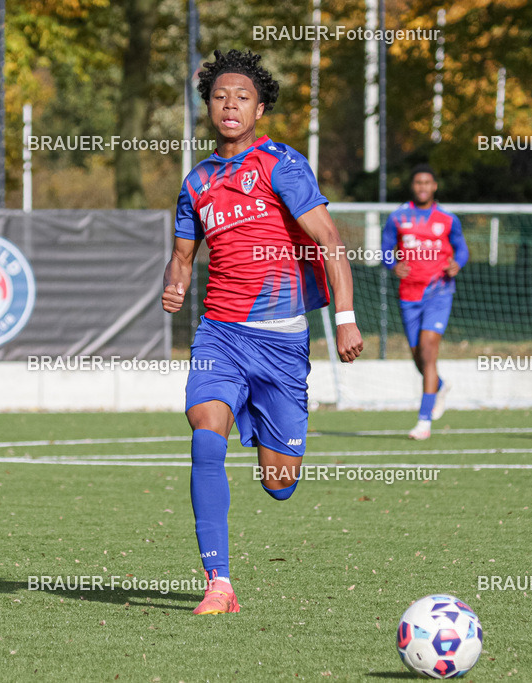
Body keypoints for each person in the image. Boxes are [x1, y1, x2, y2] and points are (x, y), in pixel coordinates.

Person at [162, 49, 363, 615]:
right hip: (219, 335)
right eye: (220, 95)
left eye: (243, 97)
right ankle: (218, 583)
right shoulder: (196, 181)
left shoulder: (282, 165)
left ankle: (271, 425)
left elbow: (330, 242)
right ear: (207, 105)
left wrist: (343, 321)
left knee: (279, 483)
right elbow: (182, 256)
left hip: (281, 342)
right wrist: (174, 284)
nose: (230, 105)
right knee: (205, 438)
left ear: (260, 109)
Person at [382, 165, 468, 440]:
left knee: (429, 352)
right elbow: (385, 251)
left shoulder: (448, 218)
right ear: (413, 186)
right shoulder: (397, 217)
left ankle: (423, 421)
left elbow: (462, 249)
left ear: (435, 186)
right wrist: (393, 265)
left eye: (427, 182)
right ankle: (439, 386)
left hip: (439, 292)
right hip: (409, 294)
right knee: (419, 357)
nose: (422, 186)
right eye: (418, 182)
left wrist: (457, 264)